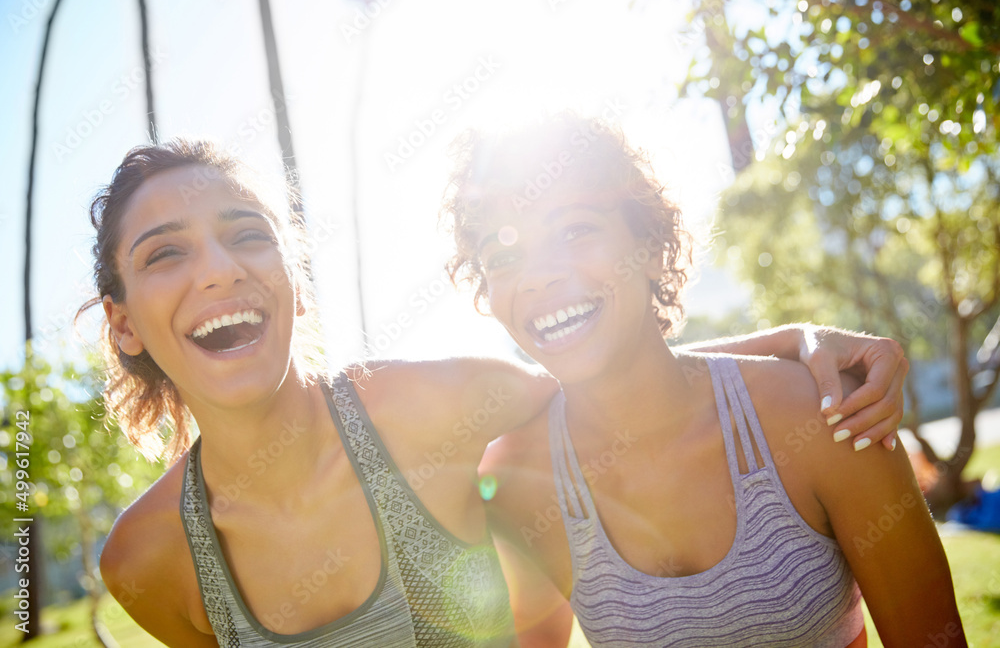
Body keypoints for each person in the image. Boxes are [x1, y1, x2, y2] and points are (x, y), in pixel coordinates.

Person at [86, 138, 906, 646]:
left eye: (246, 236)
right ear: (124, 325)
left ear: (290, 280)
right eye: (165, 254)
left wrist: (796, 346)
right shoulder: (147, 558)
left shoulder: (434, 412)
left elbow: (616, 373)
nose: (220, 269)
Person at [442, 115, 966, 647]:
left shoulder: (824, 413)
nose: (539, 275)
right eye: (504, 256)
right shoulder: (519, 485)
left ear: (648, 247)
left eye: (575, 229)